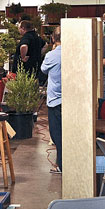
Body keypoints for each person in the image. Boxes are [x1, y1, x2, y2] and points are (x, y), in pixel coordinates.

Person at [40, 27, 62, 174]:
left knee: (57, 135)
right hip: (73, 100)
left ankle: (61, 165)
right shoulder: (75, 53)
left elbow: (43, 70)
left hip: (55, 101)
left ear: (53, 39)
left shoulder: (51, 56)